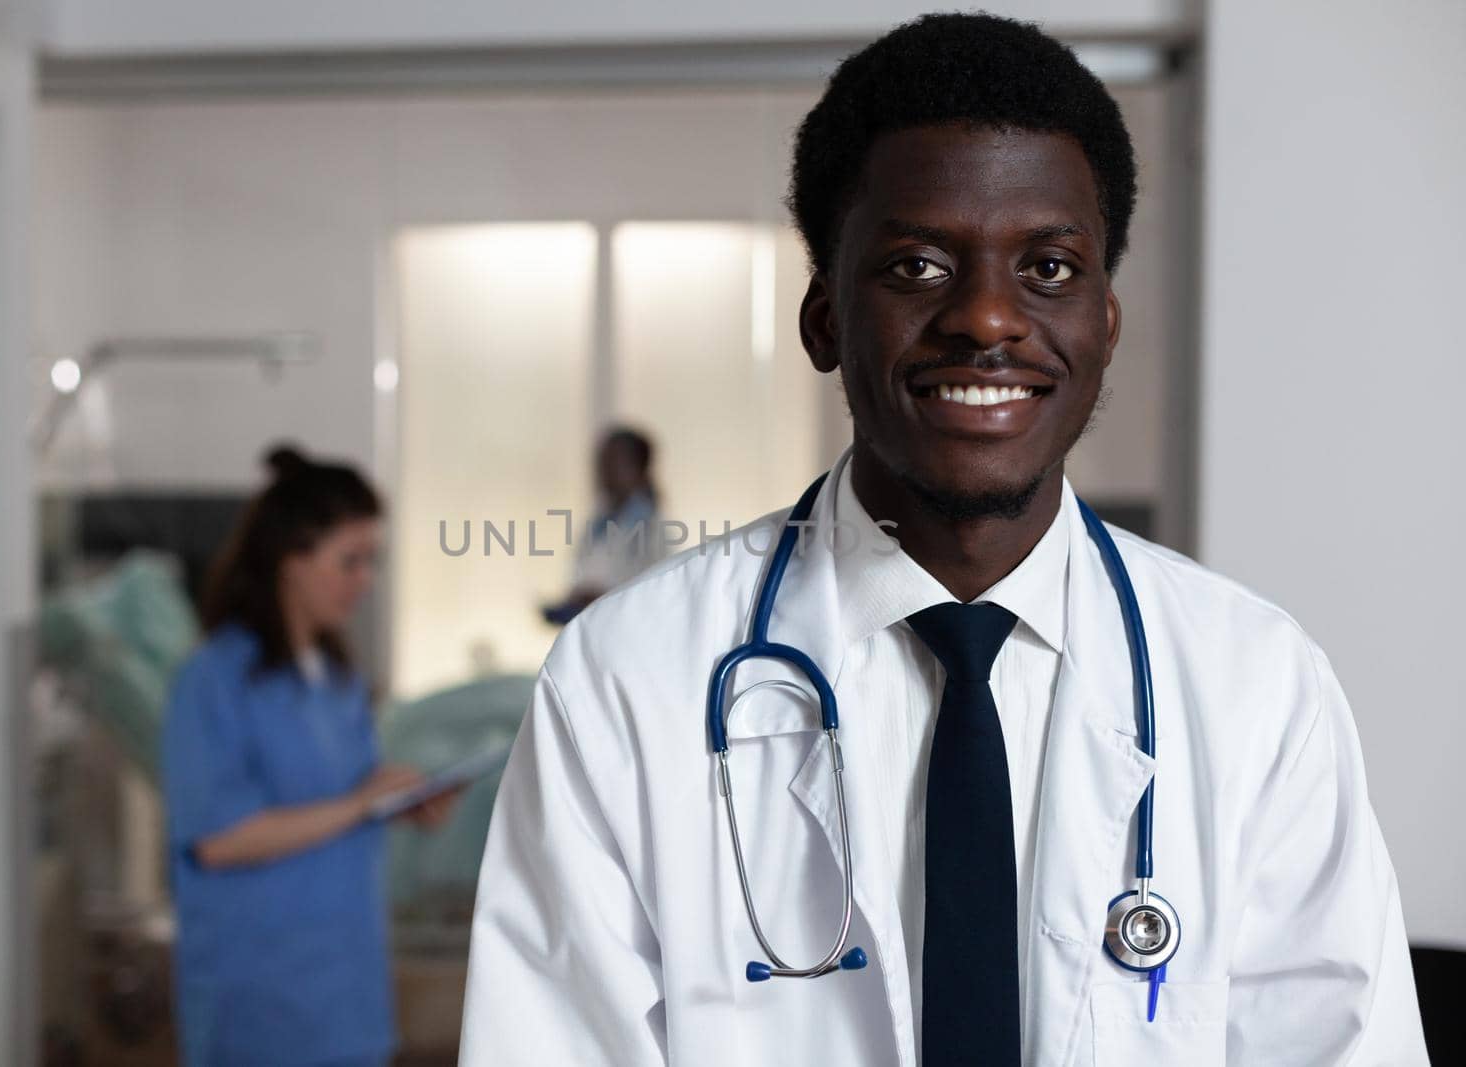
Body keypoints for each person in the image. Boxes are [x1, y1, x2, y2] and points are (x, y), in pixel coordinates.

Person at [459, 13, 1427, 1066]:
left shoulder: (1255, 684)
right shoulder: (628, 677)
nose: (986, 318)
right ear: (824, 318)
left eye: (1048, 268)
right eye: (917, 265)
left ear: (1106, 320)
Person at [162, 445, 456, 1067]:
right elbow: (219, 838)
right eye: (348, 561)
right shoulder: (214, 680)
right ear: (289, 560)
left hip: (345, 994)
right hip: (263, 1000)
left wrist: (394, 800)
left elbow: (338, 801)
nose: (364, 580)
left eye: (370, 561)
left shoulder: (335, 678)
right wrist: (358, 805)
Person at [541, 426, 662, 623]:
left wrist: (601, 597)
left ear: (638, 467)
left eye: (613, 462)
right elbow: (585, 569)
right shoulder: (601, 518)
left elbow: (652, 589)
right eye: (602, 464)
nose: (604, 472)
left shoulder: (653, 524)